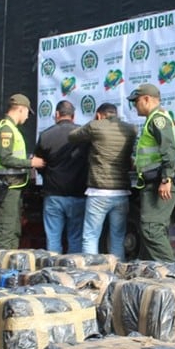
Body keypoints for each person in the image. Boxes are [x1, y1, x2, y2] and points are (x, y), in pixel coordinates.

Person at [68, 102, 138, 260]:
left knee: (91, 236)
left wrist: (94, 122)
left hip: (98, 192)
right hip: (122, 192)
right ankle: (116, 273)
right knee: (118, 238)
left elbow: (72, 136)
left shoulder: (95, 126)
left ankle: (91, 274)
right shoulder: (131, 129)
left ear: (99, 115)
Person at [127, 83, 175, 262]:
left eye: (136, 101)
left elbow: (169, 149)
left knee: (151, 228)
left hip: (159, 182)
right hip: (151, 183)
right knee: (152, 229)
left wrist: (167, 178)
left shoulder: (158, 119)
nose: (135, 105)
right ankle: (153, 272)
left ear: (147, 99)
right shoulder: (153, 119)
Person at [0, 93, 44, 249]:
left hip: (12, 188)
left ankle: (10, 268)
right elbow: (5, 159)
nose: (27, 117)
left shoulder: (11, 129)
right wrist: (30, 163)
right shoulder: (6, 130)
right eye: (27, 112)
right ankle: (1, 270)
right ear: (21, 109)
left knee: (13, 231)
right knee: (5, 234)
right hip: (6, 189)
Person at [34, 100, 87, 253]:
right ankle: (73, 274)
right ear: (74, 116)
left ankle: (53, 272)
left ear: (56, 114)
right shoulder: (83, 135)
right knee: (76, 239)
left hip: (53, 194)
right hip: (78, 194)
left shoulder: (45, 135)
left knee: (53, 240)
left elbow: (39, 164)